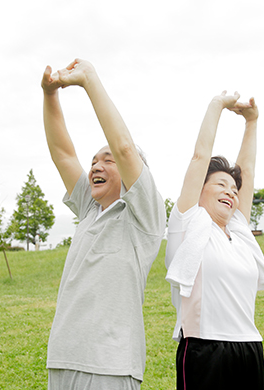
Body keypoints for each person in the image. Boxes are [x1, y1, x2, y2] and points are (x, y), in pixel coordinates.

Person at [41, 58, 166, 390]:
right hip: (63, 358)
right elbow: (63, 153)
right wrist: (49, 94)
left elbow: (125, 148)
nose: (96, 165)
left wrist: (89, 80)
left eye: (107, 160)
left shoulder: (143, 218)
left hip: (109, 366)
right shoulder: (88, 208)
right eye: (94, 160)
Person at [165, 91, 264, 389]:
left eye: (234, 189)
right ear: (200, 189)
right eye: (220, 184)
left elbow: (247, 173)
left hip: (250, 347)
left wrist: (252, 122)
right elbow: (200, 157)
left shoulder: (239, 230)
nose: (231, 191)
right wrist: (217, 105)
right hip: (205, 348)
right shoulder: (188, 222)